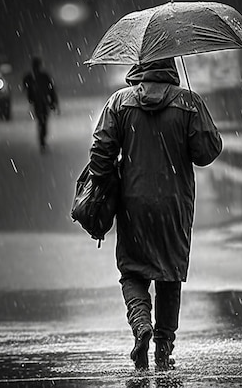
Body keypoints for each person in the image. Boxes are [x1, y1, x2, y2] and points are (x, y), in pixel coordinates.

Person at [88, 58, 222, 371]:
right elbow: (207, 153)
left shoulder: (120, 103)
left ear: (140, 67)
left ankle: (141, 327)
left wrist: (104, 181)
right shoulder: (188, 103)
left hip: (133, 202)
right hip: (175, 203)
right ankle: (164, 344)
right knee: (170, 271)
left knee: (133, 271)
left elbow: (100, 151)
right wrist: (196, 118)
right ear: (172, 66)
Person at [22, 57, 58, 151]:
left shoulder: (34, 77)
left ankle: (42, 139)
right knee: (42, 121)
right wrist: (53, 102)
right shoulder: (38, 77)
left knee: (42, 121)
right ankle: (42, 140)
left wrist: (53, 102)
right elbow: (51, 90)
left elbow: (51, 90)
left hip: (41, 102)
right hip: (41, 102)